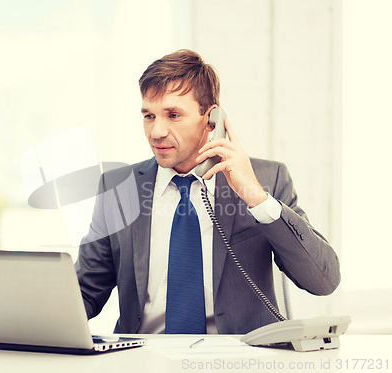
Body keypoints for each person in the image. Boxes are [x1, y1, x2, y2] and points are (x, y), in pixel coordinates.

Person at [75, 49, 340, 334]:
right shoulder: (118, 188)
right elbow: (85, 293)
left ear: (211, 118)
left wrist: (257, 198)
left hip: (237, 360)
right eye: (149, 116)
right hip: (143, 357)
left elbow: (323, 281)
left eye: (173, 115)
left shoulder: (267, 179)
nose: (156, 132)